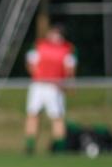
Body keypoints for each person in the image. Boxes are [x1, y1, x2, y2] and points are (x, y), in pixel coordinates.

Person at [24, 24, 77, 154]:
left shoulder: (67, 49)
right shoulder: (39, 46)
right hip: (39, 85)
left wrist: (68, 84)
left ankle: (59, 147)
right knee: (33, 114)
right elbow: (31, 65)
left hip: (55, 87)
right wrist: (39, 76)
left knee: (57, 117)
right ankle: (29, 147)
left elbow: (70, 69)